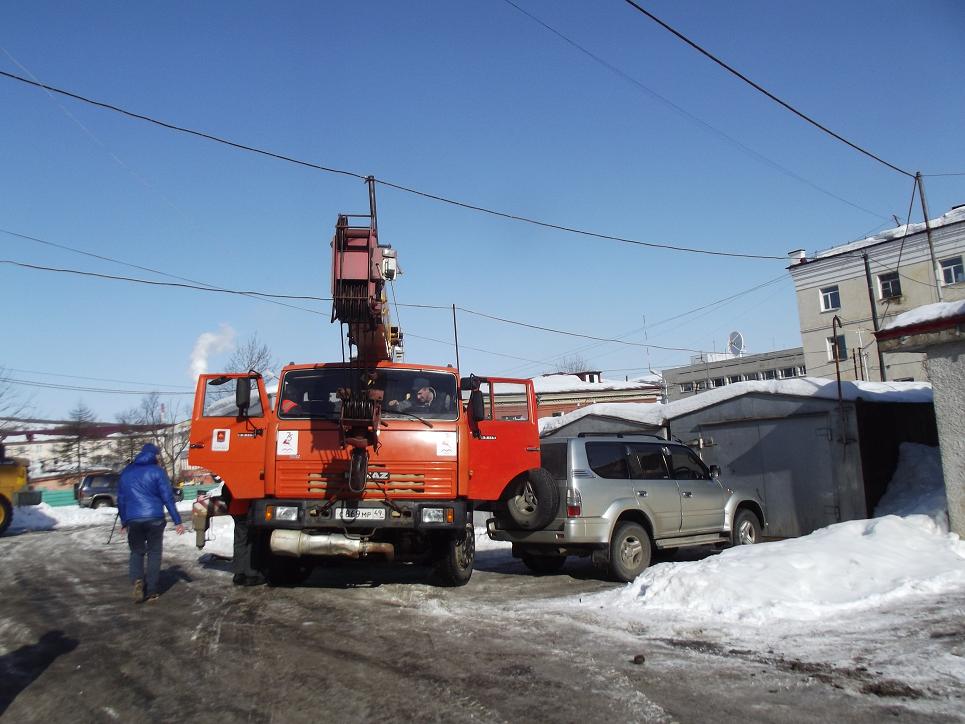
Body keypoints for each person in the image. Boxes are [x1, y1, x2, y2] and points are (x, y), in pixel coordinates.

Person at [117, 443, 185, 603]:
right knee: (154, 553)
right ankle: (152, 590)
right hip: (155, 518)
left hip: (133, 519)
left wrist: (124, 521)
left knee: (136, 552)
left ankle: (138, 580)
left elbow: (121, 500)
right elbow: (167, 498)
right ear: (154, 455)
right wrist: (177, 521)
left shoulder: (126, 472)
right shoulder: (157, 472)